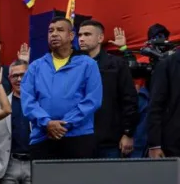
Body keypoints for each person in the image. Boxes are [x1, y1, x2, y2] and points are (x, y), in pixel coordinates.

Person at [21, 17, 103, 160]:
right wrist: (47, 123)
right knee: (44, 183)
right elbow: (28, 101)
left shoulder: (88, 65)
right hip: (43, 137)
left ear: (71, 36)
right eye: (50, 31)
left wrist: (65, 124)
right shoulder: (36, 66)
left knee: (78, 182)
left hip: (78, 137)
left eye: (60, 30)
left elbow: (92, 100)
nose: (53, 34)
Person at [76, 20, 138, 158]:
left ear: (100, 38)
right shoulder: (73, 66)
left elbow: (129, 100)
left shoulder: (117, 65)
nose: (81, 38)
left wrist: (128, 133)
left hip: (110, 141)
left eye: (87, 34)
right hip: (79, 139)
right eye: (80, 35)